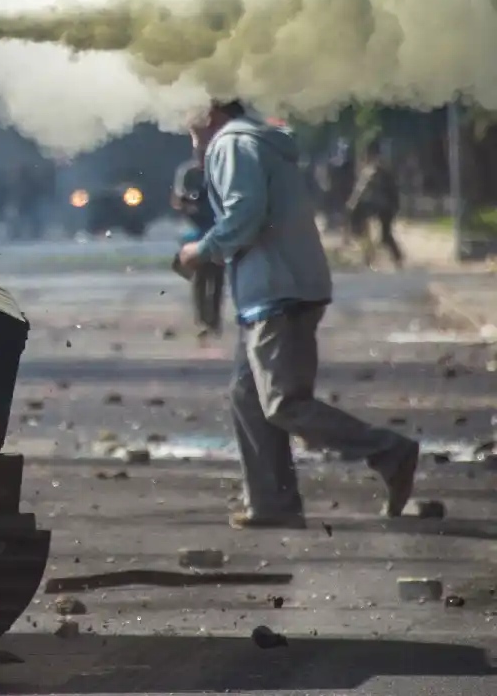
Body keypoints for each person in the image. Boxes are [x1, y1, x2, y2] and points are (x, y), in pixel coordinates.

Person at [177, 99, 420, 530]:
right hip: (275, 289)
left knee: (284, 404)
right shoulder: (257, 140)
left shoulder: (232, 143)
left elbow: (244, 215)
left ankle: (389, 451)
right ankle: (272, 505)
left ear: (210, 114)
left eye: (194, 133)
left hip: (276, 291)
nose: (195, 145)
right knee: (247, 398)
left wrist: (202, 250)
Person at [171, 157, 223, 337]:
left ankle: (213, 320)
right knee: (201, 276)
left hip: (216, 227)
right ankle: (203, 320)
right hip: (196, 229)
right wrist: (188, 204)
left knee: (217, 276)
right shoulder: (189, 173)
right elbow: (179, 199)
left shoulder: (220, 169)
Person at [347, 139, 403, 268]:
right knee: (382, 234)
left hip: (384, 206)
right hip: (385, 205)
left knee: (383, 235)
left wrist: (353, 203)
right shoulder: (379, 168)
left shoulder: (374, 169)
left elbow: (362, 189)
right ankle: (372, 257)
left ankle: (389, 258)